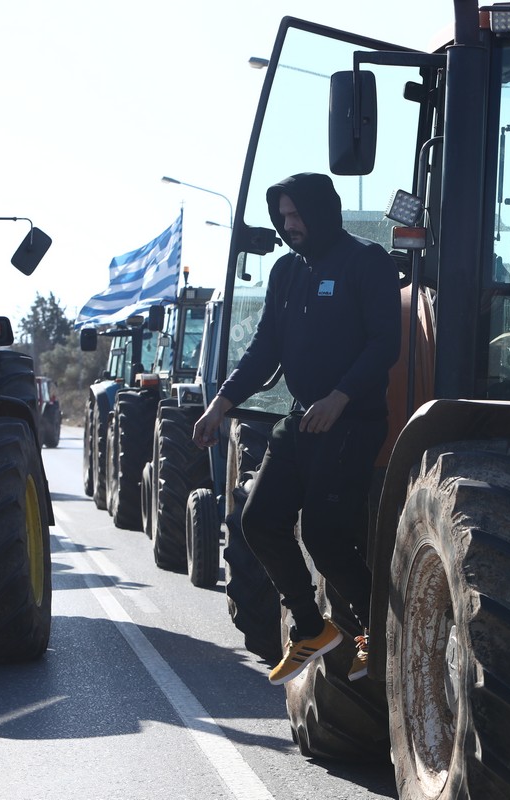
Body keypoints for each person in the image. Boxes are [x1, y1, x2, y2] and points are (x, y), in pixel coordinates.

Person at [193, 173, 401, 685]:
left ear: (322, 212)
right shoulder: (286, 272)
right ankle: (310, 628)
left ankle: (378, 636)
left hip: (353, 419)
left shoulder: (366, 262)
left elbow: (384, 344)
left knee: (326, 538)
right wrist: (221, 403)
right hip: (301, 417)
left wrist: (341, 396)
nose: (288, 227)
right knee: (258, 519)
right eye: (281, 218)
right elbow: (265, 348)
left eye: (296, 216)